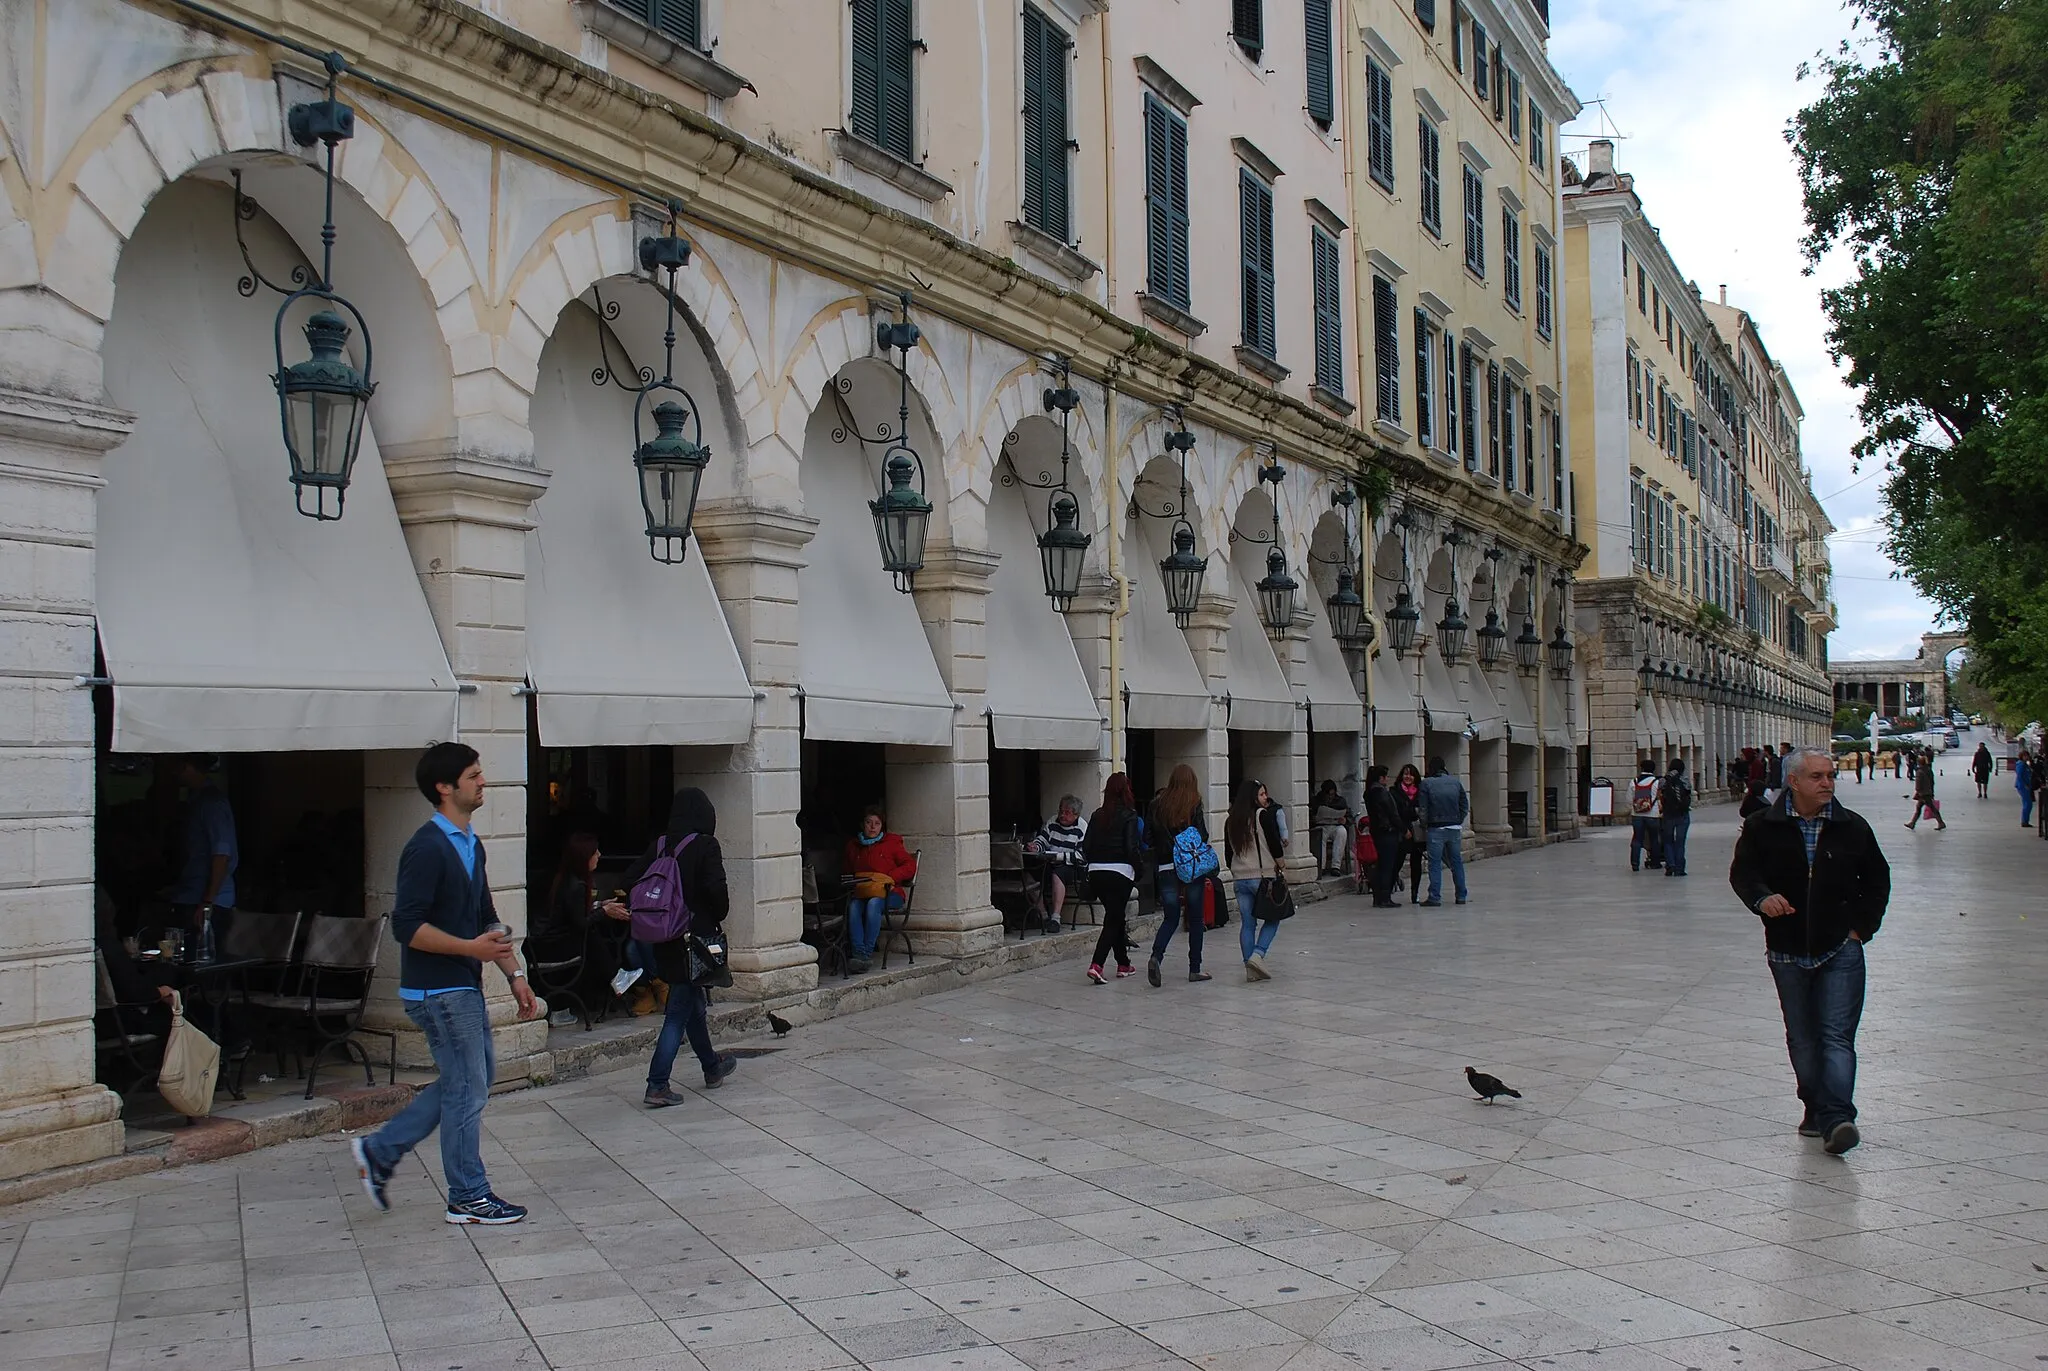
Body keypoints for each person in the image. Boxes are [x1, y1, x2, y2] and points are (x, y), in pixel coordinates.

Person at [352, 742, 538, 1225]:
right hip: (438, 991)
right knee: (468, 1090)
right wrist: (471, 950)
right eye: (473, 776)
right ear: (445, 787)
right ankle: (467, 1195)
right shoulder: (426, 847)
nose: (483, 783)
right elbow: (406, 927)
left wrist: (514, 975)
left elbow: (486, 917)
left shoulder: (470, 844)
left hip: (462, 986)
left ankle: (380, 1151)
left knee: (466, 1084)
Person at [1729, 744, 1890, 1156]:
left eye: (1831, 776)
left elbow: (1877, 880)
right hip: (1786, 947)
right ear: (1794, 781)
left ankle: (1838, 1117)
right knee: (1802, 1036)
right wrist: (1762, 899)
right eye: (1817, 777)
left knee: (1836, 1035)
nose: (1827, 783)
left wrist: (1860, 929)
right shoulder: (1762, 826)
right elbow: (1744, 874)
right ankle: (1815, 1106)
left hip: (1840, 946)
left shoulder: (1852, 827)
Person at [603, 788, 737, 1107]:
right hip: (696, 940)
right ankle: (657, 1083)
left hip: (664, 938)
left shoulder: (661, 845)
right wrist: (713, 913)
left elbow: (630, 878)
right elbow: (716, 889)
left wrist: (655, 907)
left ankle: (712, 1067)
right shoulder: (706, 845)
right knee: (678, 1011)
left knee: (693, 1005)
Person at [1145, 763, 1210, 986]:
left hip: (1165, 867)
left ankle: (1156, 956)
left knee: (1170, 917)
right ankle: (1195, 968)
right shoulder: (1194, 803)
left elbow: (1147, 838)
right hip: (1190, 867)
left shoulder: (1156, 805)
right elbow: (1202, 835)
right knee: (1195, 917)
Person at [169, 755, 238, 958]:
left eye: (177, 766)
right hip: (190, 893)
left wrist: (207, 902)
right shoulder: (196, 800)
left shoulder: (212, 804)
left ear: (189, 767)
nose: (173, 773)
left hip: (207, 901)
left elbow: (221, 854)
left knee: (199, 962)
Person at [1081, 773, 1145, 984]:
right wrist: (1140, 870)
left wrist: (1096, 863)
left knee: (1115, 916)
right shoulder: (1130, 815)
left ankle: (1123, 963)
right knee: (1112, 920)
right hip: (1120, 873)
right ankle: (1097, 964)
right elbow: (1131, 848)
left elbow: (1086, 846)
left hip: (1097, 872)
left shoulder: (1097, 815)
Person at [1225, 779, 1287, 981]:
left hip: (1240, 877)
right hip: (1262, 875)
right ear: (1253, 797)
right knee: (1273, 917)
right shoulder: (1263, 816)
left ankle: (1249, 967)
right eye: (1261, 794)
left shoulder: (1231, 820)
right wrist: (1281, 863)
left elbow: (1228, 853)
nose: (1265, 798)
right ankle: (1258, 954)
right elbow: (1274, 844)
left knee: (1248, 924)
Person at [843, 806, 916, 974]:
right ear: (862, 825)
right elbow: (846, 871)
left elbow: (910, 865)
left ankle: (866, 954)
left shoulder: (892, 843)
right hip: (863, 893)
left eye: (877, 823)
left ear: (882, 825)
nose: (872, 827)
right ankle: (858, 953)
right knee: (854, 906)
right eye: (869, 823)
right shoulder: (853, 846)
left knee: (874, 904)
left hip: (891, 894)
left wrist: (891, 876)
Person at [1030, 796, 1088, 934]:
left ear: (1076, 814)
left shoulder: (1082, 827)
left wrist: (1059, 857)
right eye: (1061, 811)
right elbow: (1042, 840)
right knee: (1029, 875)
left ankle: (1055, 918)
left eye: (1067, 812)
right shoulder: (1052, 821)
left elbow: (1082, 856)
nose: (1062, 815)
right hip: (1049, 861)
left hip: (1072, 866)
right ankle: (1043, 915)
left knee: (1058, 874)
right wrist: (1035, 847)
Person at [1417, 757, 1469, 907]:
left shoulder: (1426, 783)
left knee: (1434, 864)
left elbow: (1423, 809)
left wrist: (1424, 824)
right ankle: (1461, 895)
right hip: (1454, 827)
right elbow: (1464, 804)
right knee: (1456, 862)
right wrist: (1458, 820)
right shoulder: (1455, 782)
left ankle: (1435, 896)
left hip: (1436, 827)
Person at [1364, 766, 1405, 908]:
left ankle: (1378, 897)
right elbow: (1392, 814)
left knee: (1380, 865)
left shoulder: (1369, 793)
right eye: (1385, 777)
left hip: (1377, 832)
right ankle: (1385, 897)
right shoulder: (1381, 793)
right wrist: (1403, 829)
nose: (1387, 779)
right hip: (1387, 832)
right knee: (1387, 866)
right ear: (1381, 778)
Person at [1394, 763, 1425, 904]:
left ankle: (1415, 892)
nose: (1408, 777)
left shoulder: (1421, 791)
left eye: (1411, 774)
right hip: (1401, 831)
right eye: (1405, 774)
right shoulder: (1394, 791)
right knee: (1397, 861)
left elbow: (1422, 810)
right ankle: (1390, 885)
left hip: (1417, 833)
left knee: (1416, 864)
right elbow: (1395, 813)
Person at [1659, 759, 1693, 877]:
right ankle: (1680, 868)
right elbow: (1689, 793)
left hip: (1668, 814)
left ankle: (1670, 865)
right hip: (1682, 814)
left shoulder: (1663, 780)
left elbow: (1660, 792)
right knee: (1680, 842)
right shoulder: (1685, 780)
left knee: (1668, 841)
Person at [1629, 762, 1664, 872]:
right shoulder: (1656, 782)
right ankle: (1655, 862)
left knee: (1637, 839)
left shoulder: (1634, 782)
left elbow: (1628, 799)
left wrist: (1636, 807)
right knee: (1654, 839)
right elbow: (1659, 798)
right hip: (1653, 814)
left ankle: (1635, 863)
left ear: (1641, 768)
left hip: (1637, 814)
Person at [1309, 781, 1350, 877]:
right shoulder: (1316, 800)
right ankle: (1321, 866)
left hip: (1336, 825)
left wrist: (1345, 820)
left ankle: (1336, 866)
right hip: (1322, 825)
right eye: (1328, 795)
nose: (1330, 797)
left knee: (1342, 832)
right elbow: (1311, 814)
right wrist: (1314, 818)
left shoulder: (1340, 801)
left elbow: (1349, 815)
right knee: (1321, 836)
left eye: (1332, 794)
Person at [1905, 749, 1945, 830]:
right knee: (1920, 808)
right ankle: (1912, 823)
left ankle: (1941, 823)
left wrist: (1918, 791)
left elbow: (1918, 784)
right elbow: (1932, 782)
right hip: (1928, 792)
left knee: (1931, 808)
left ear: (1919, 763)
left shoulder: (1919, 772)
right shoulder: (1929, 770)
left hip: (1923, 794)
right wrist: (1932, 791)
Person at [2017, 749, 2035, 829]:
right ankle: (2025, 821)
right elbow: (2020, 776)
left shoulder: (2025, 764)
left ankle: (2025, 820)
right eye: (2025, 756)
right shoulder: (2021, 765)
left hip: (2026, 785)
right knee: (2028, 804)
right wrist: (2025, 784)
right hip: (2023, 786)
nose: (2027, 757)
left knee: (2027, 803)